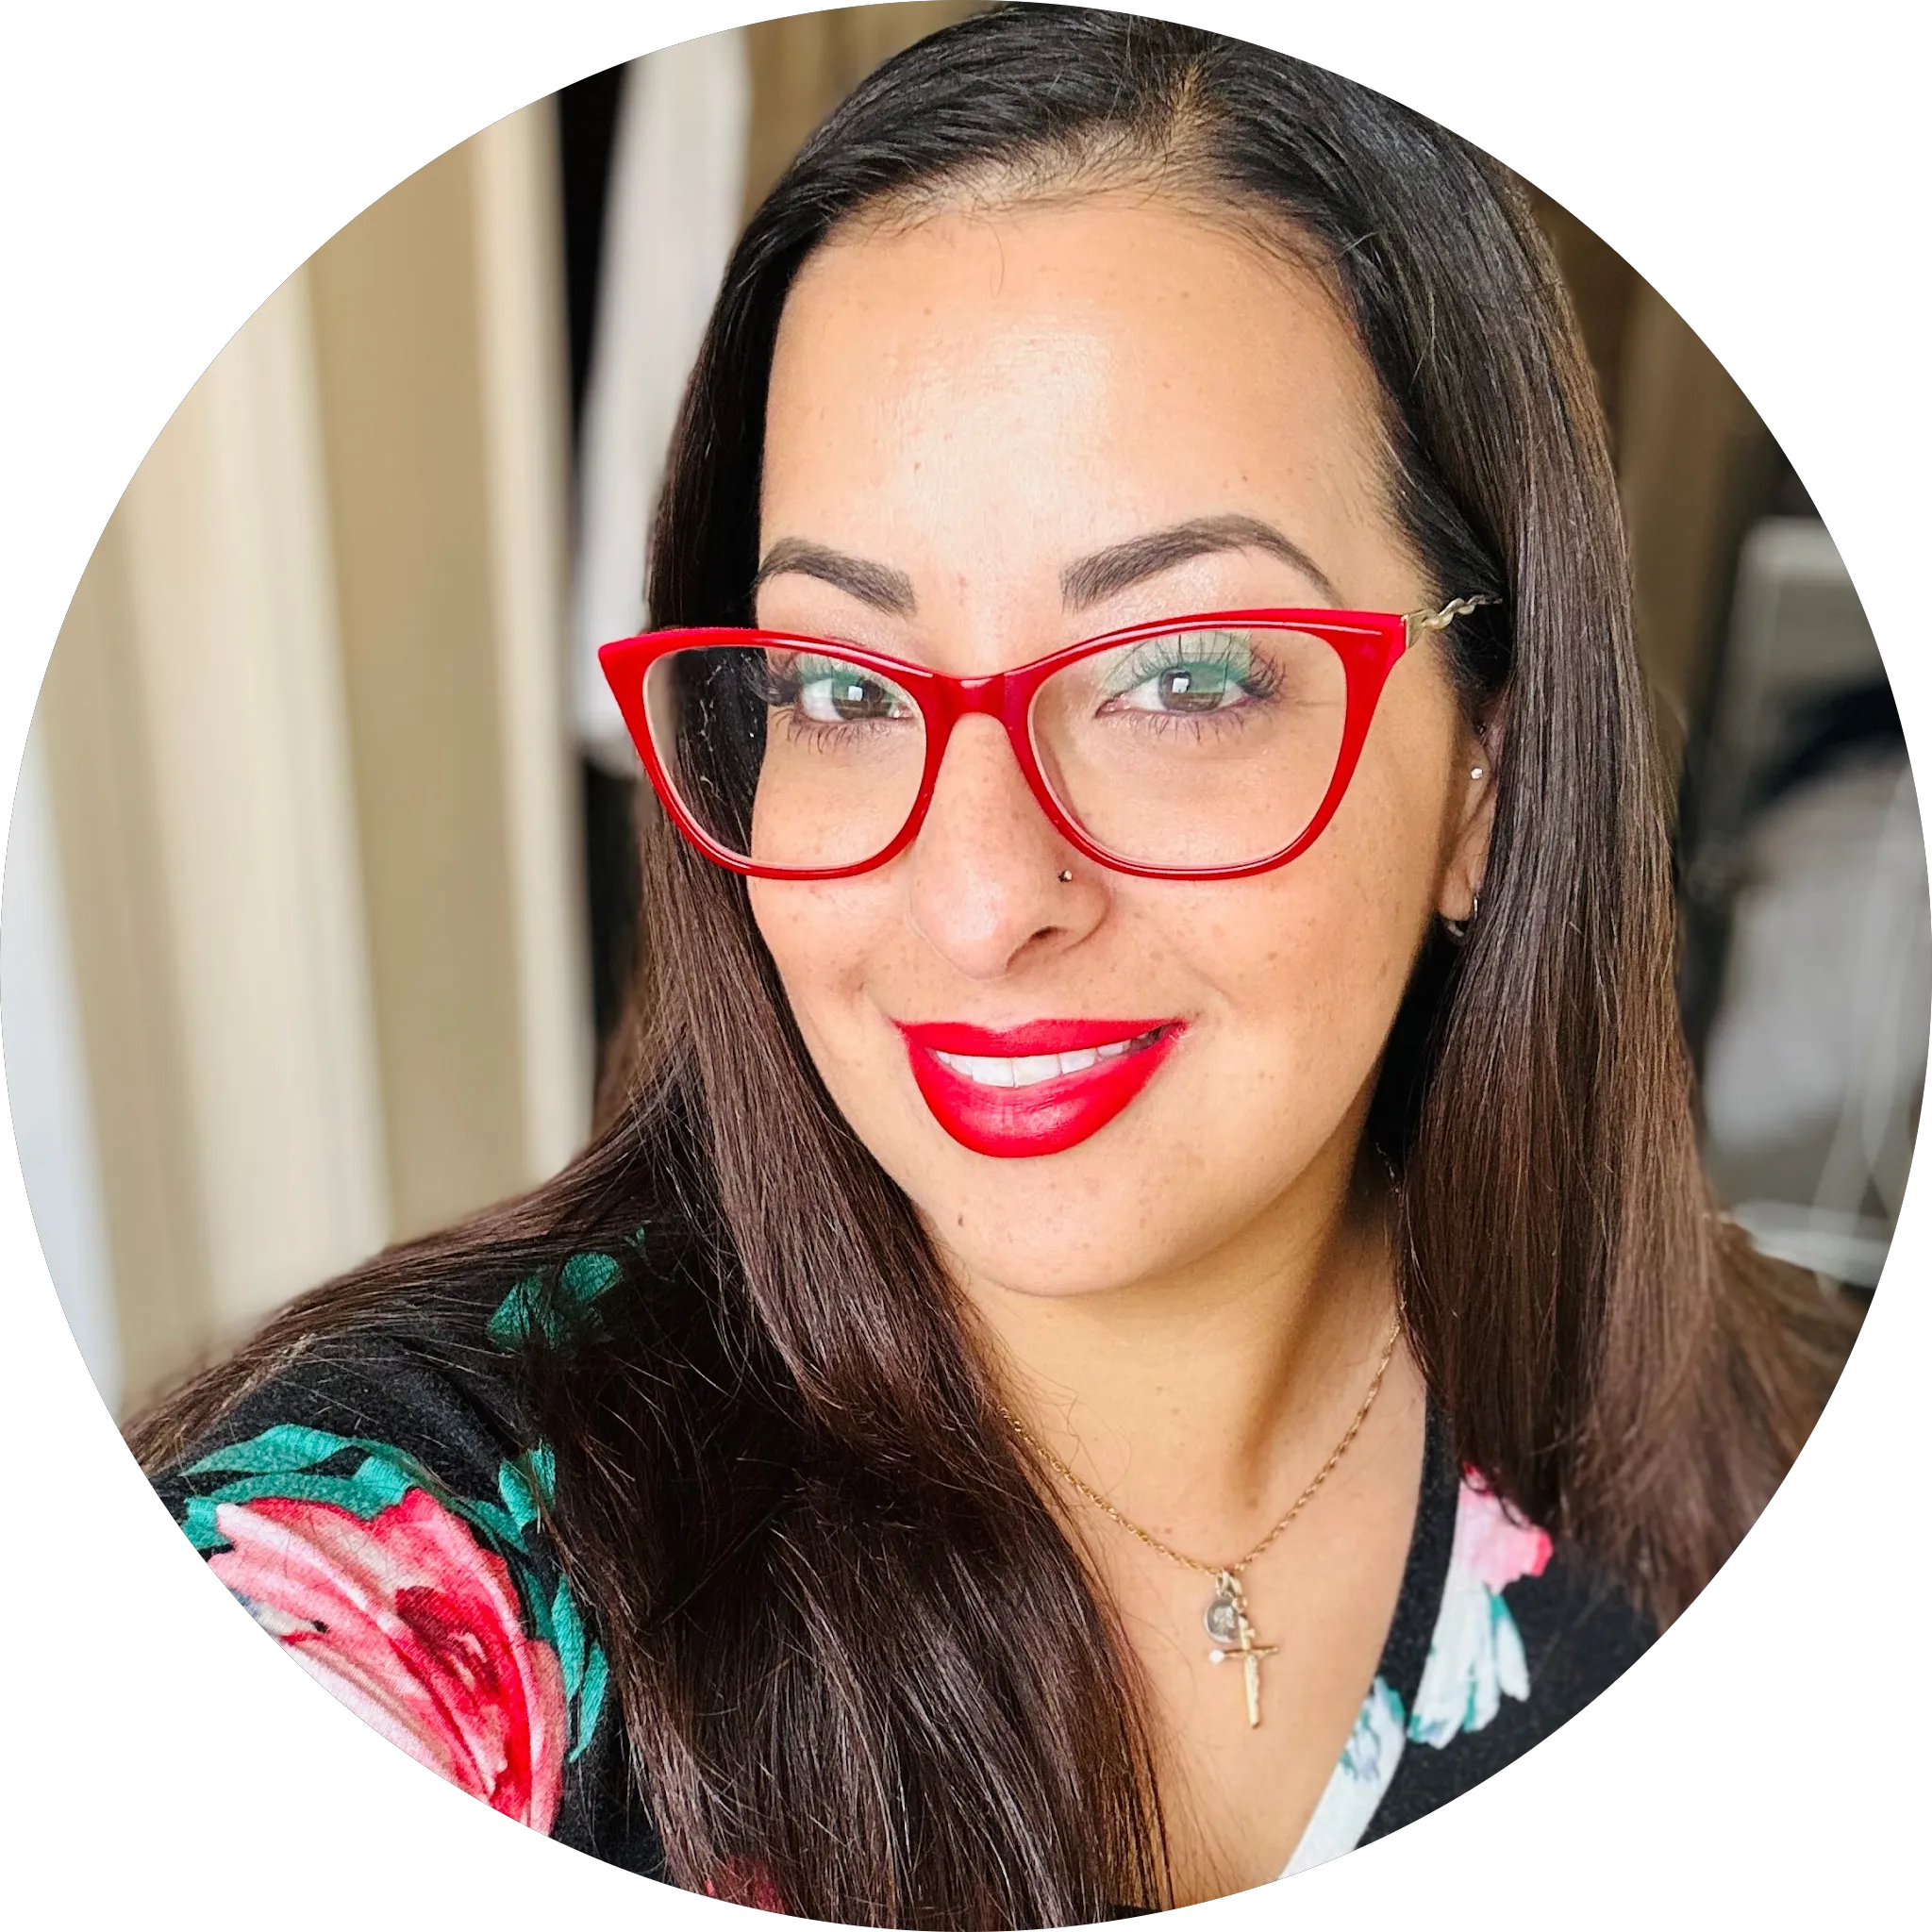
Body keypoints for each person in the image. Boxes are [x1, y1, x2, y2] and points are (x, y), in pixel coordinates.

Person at [132, 9, 1860, 1920]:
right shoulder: (431, 1562)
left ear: (1486, 776)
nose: (974, 900)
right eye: (840, 684)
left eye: (1181, 678)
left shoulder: (1727, 1433)